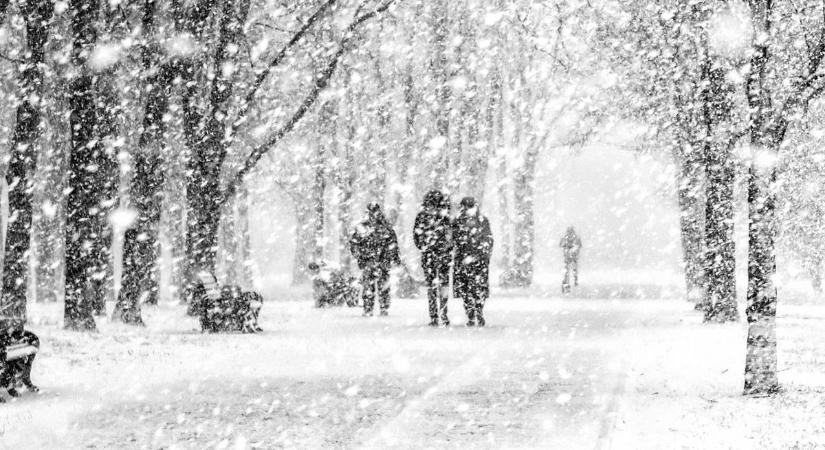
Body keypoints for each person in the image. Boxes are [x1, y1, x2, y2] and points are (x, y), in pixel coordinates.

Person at [350, 203, 401, 316]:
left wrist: (359, 254)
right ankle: (376, 307)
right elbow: (392, 243)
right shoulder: (381, 227)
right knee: (375, 285)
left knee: (375, 285)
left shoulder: (372, 227)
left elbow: (392, 242)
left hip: (377, 260)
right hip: (374, 260)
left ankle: (375, 308)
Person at [414, 190, 453, 326]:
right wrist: (446, 248)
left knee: (432, 286)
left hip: (429, 256)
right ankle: (443, 314)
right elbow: (450, 236)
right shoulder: (444, 216)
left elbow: (417, 236)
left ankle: (434, 315)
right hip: (442, 256)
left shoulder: (422, 216)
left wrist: (424, 246)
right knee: (443, 286)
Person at [452, 197, 493, 327]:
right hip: (469, 259)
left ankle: (475, 312)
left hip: (473, 259)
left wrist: (479, 253)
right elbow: (454, 239)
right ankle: (473, 312)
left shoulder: (480, 221)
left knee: (473, 288)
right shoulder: (459, 221)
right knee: (471, 288)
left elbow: (487, 239)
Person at [560, 226, 582, 293]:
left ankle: (570, 283)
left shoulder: (566, 237)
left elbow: (561, 245)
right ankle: (571, 283)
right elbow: (579, 246)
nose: (570, 233)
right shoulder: (575, 238)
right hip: (571, 257)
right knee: (570, 271)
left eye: (570, 232)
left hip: (570, 257)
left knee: (569, 271)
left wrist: (567, 249)